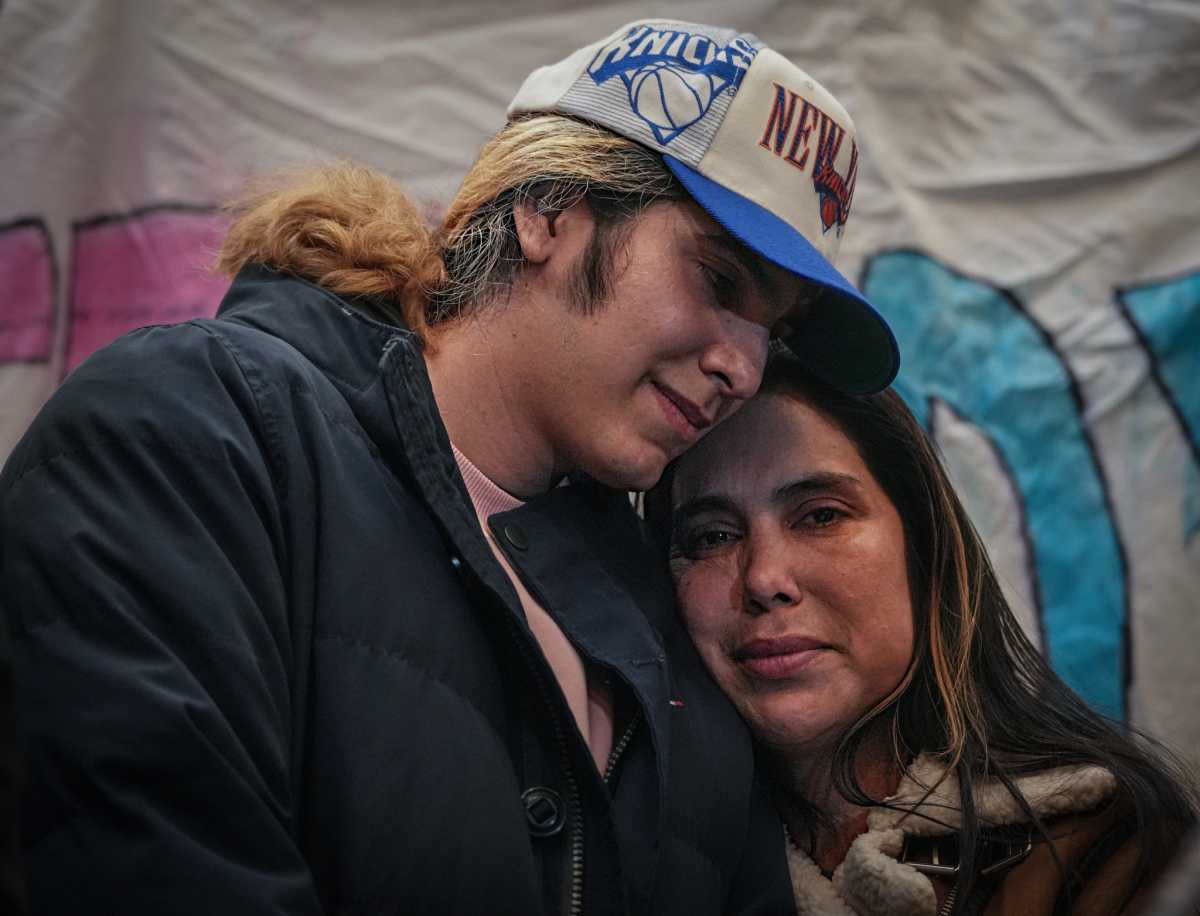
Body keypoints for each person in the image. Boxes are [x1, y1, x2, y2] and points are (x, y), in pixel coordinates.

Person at [0, 18, 900, 916]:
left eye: (770, 331)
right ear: (549, 210)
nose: (743, 368)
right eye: (719, 280)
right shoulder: (194, 430)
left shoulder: (669, 608)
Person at [652, 351, 1198, 915]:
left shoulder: (1108, 845)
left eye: (820, 515)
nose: (764, 579)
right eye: (712, 536)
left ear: (925, 555)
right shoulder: (632, 857)